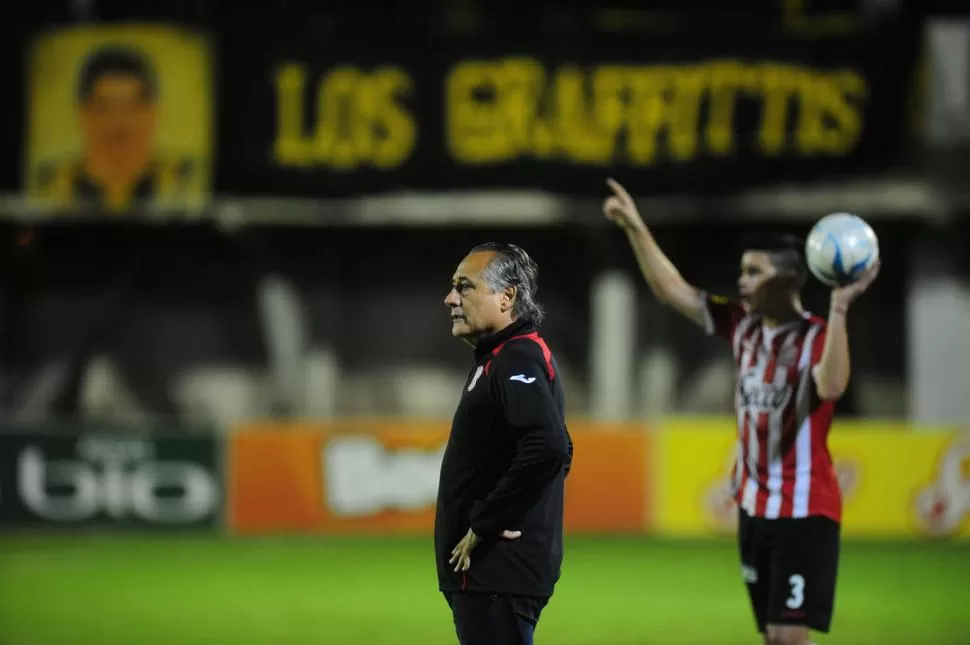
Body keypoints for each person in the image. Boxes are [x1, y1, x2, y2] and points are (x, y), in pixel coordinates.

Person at [602, 179, 879, 645]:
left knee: (789, 636)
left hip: (803, 509)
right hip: (754, 507)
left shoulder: (815, 337)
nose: (741, 281)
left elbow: (832, 385)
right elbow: (674, 291)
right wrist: (635, 227)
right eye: (742, 271)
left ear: (788, 279)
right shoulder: (742, 327)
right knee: (775, 637)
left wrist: (840, 309)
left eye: (753, 272)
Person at [435, 242, 573, 645]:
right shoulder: (500, 357)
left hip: (497, 573)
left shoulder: (516, 357)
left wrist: (489, 520)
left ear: (506, 296)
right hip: (490, 577)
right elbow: (560, 444)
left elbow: (549, 446)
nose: (450, 299)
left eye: (464, 287)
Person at [31, 45, 196, 212]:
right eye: (105, 107)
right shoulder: (48, 186)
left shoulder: (184, 183)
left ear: (153, 113)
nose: (119, 121)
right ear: (83, 114)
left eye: (132, 107)